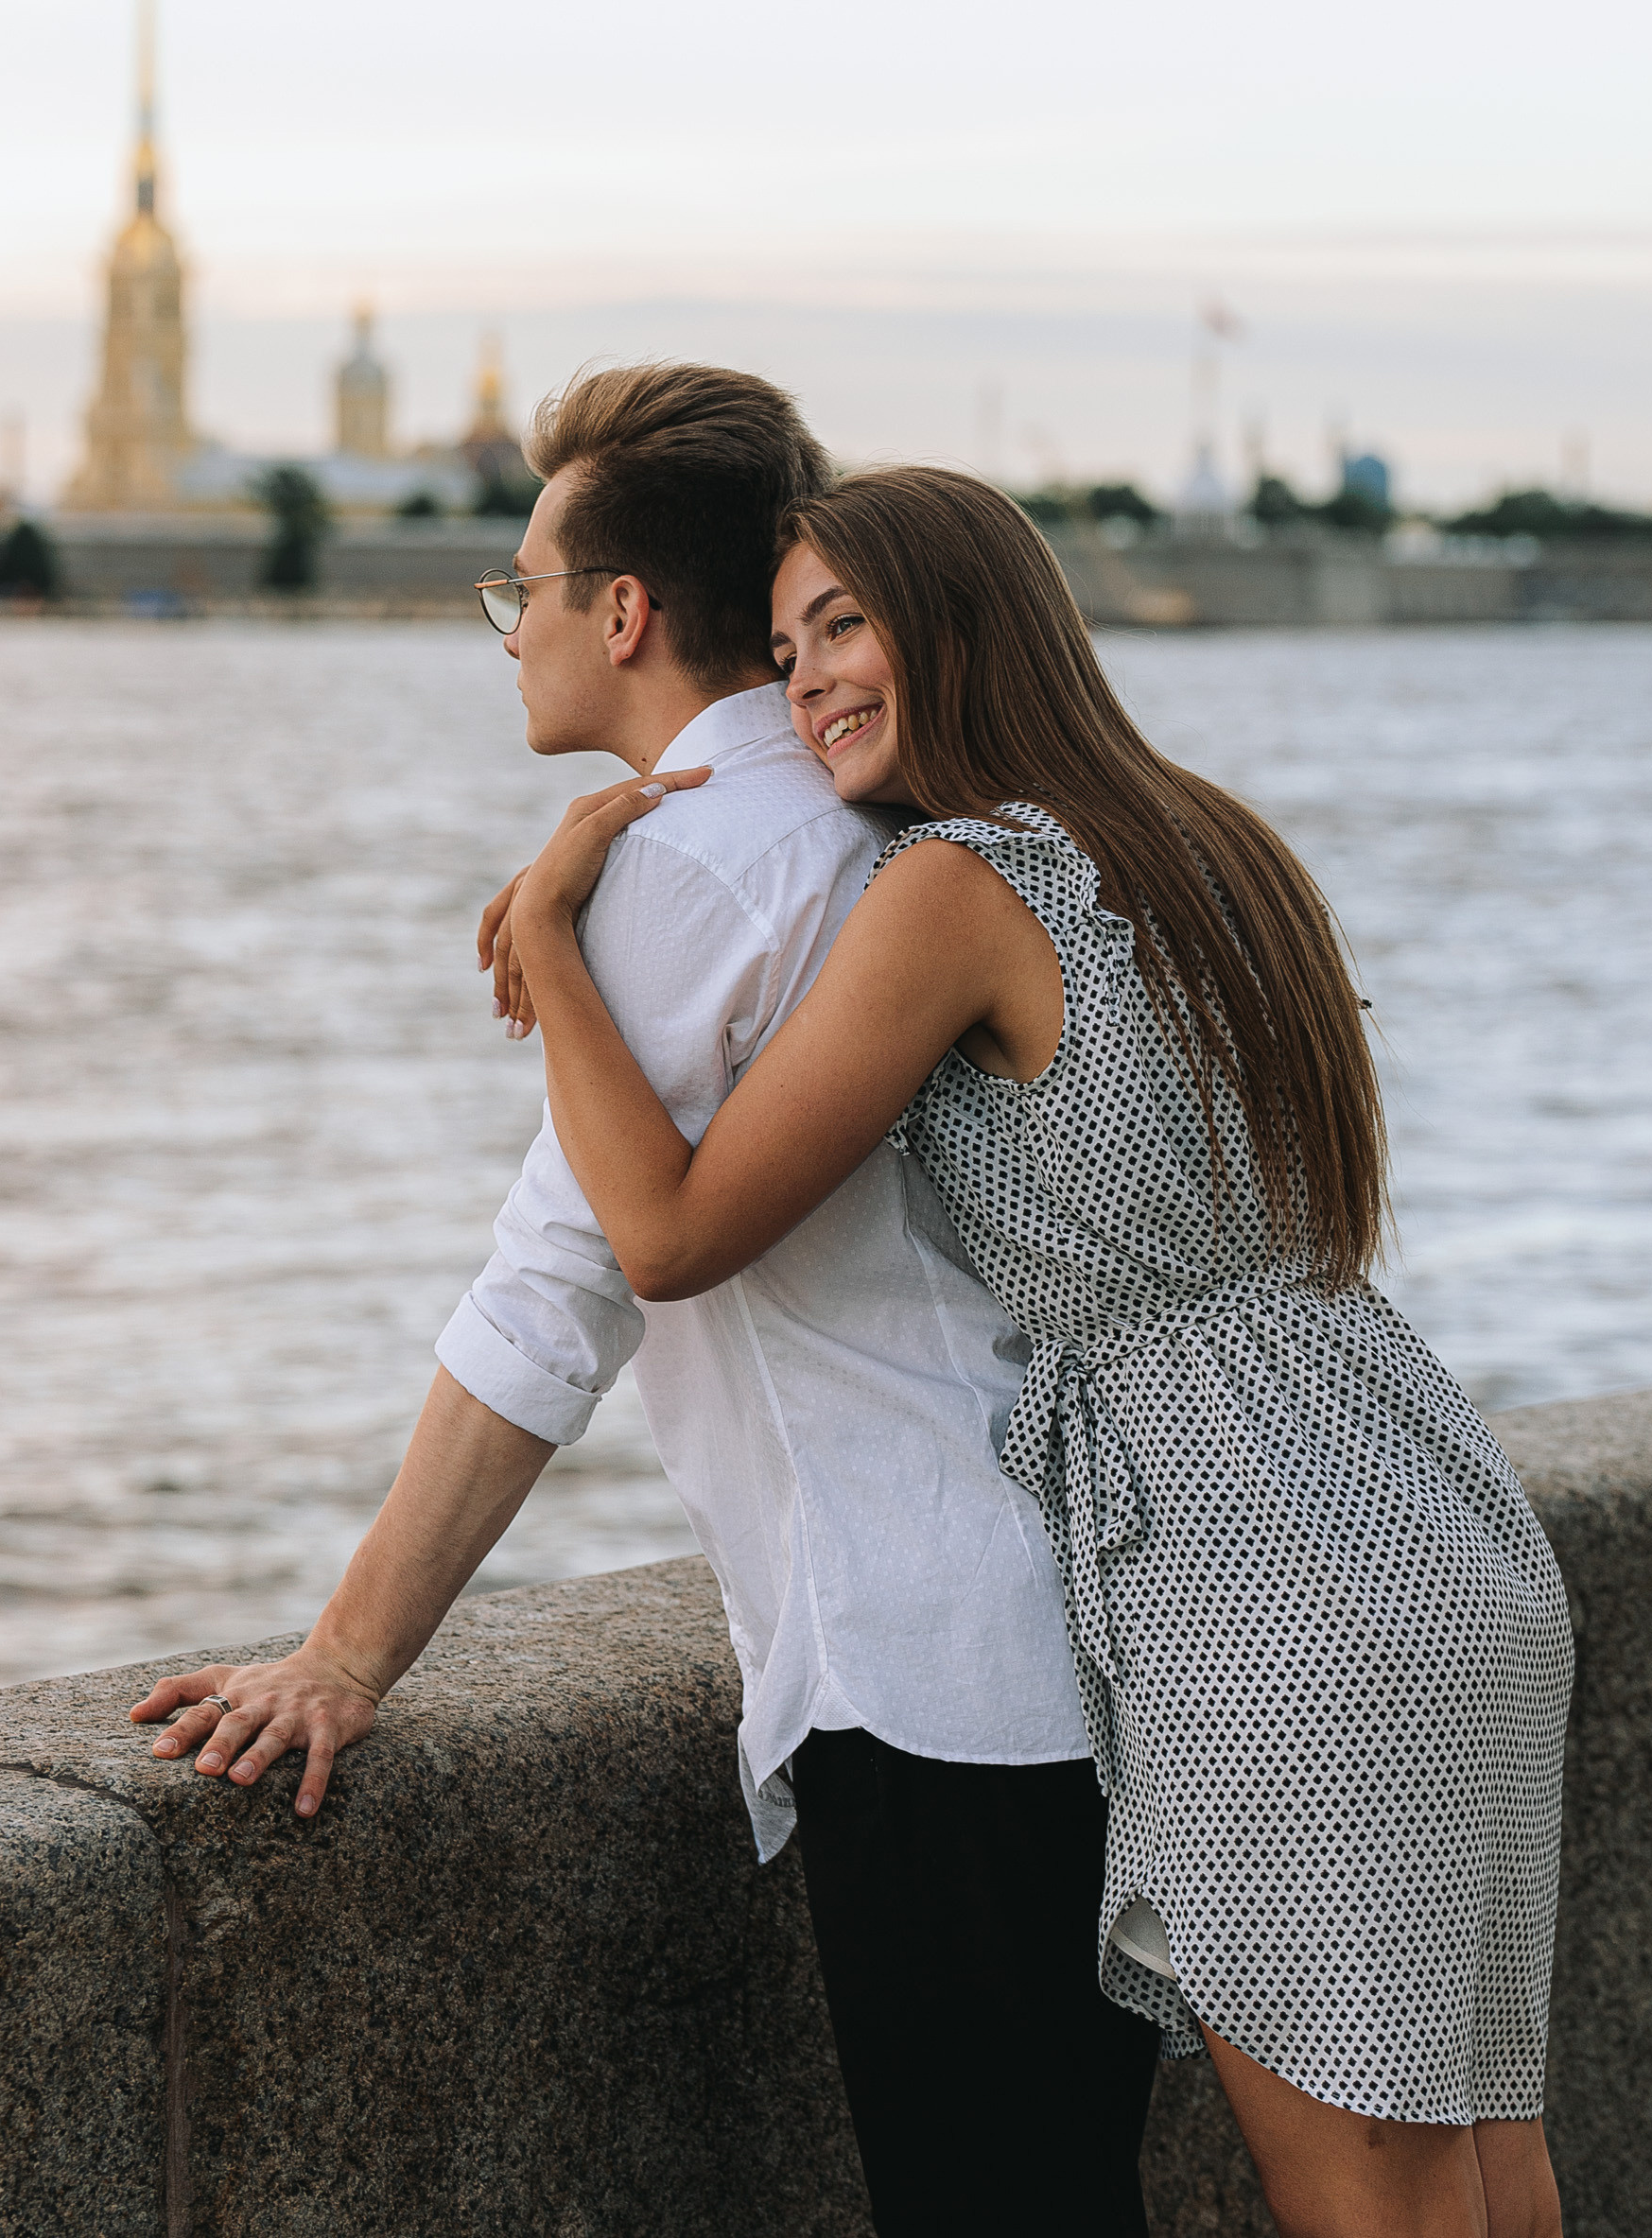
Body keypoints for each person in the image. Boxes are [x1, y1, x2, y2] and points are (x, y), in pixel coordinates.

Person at [489, 464, 1575, 2238]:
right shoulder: (1208, 835)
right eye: (779, 648)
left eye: (846, 625)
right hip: (1426, 1501)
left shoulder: (951, 886)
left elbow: (668, 1237)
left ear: (967, 618)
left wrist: (554, 940)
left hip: (1256, 1575)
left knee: (1369, 2210)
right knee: (1484, 2171)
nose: (810, 680)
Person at [130, 368, 1159, 2238]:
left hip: (925, 1671)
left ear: (619, 613)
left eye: (516, 587)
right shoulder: (877, 810)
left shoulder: (682, 861)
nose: (505, 629)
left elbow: (560, 1291)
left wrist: (345, 1656)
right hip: (1068, 1637)